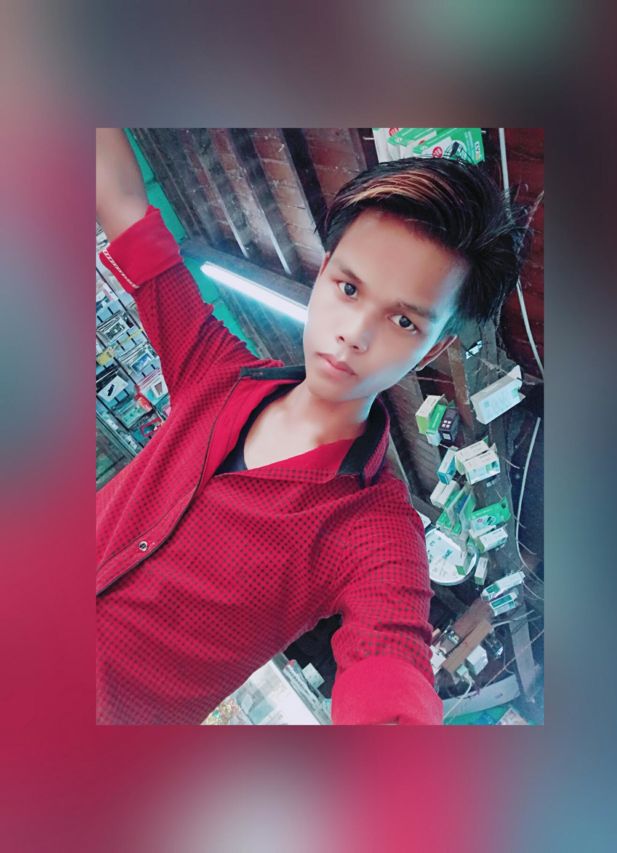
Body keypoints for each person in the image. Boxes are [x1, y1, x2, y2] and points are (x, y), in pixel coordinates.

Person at [96, 128, 527, 725]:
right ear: (323, 271)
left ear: (432, 350)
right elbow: (123, 203)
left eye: (403, 321)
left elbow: (389, 666)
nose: (355, 333)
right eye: (348, 288)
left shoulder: (375, 533)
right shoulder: (215, 370)